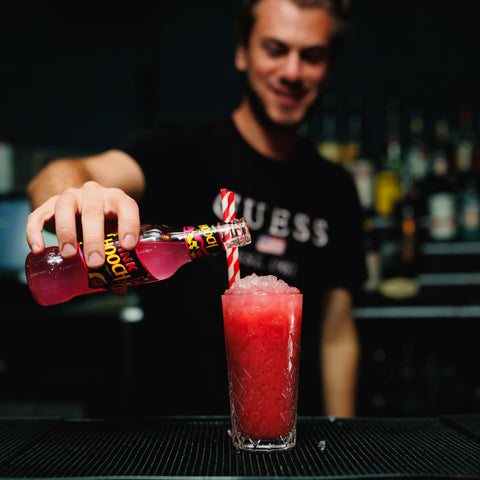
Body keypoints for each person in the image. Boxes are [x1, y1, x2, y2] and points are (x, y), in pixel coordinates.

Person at [26, 0, 365, 417]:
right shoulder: (180, 150)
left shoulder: (335, 188)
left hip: (282, 437)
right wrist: (74, 197)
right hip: (171, 440)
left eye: (311, 56)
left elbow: (337, 335)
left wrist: (348, 443)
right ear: (243, 52)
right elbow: (62, 173)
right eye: (275, 49)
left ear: (329, 66)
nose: (292, 72)